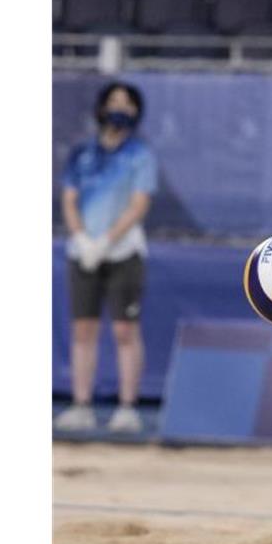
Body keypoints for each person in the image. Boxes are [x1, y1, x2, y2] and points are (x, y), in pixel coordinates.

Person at [55, 81, 157, 433]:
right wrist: (83, 239)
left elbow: (139, 203)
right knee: (83, 330)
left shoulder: (139, 155)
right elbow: (69, 199)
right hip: (82, 254)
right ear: (100, 108)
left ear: (135, 112)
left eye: (128, 103)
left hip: (124, 253)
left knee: (125, 330)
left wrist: (107, 241)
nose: (120, 108)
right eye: (114, 101)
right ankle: (81, 404)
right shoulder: (82, 153)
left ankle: (127, 407)